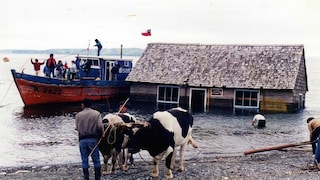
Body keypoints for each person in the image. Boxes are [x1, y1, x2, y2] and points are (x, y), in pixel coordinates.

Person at [75, 98, 103, 180]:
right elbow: (99, 126)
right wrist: (101, 134)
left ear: (83, 105)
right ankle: (97, 178)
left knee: (84, 159)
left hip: (82, 140)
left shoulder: (78, 115)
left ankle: (86, 177)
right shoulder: (96, 114)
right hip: (93, 139)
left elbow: (77, 128)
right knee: (96, 160)